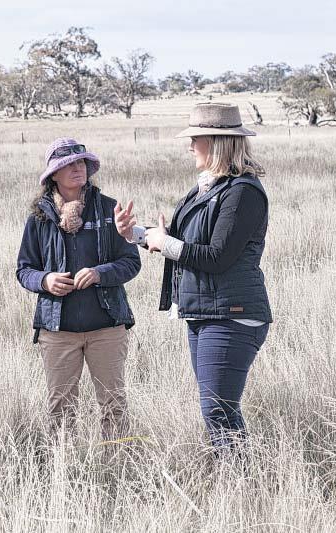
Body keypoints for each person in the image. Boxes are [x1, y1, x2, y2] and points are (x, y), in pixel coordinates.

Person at [114, 103, 271, 449]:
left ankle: (239, 476)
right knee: (218, 410)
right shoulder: (208, 187)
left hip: (232, 315)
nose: (189, 146)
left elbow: (217, 257)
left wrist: (165, 243)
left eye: (195, 139)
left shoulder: (242, 192)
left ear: (215, 142)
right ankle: (234, 475)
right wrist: (135, 234)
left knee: (218, 410)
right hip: (206, 312)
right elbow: (182, 241)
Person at [16, 138, 141, 440]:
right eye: (68, 165)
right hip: (58, 330)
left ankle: (116, 462)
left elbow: (131, 262)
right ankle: (65, 465)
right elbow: (24, 270)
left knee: (114, 405)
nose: (78, 169)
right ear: (53, 175)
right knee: (61, 409)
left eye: (81, 162)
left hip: (107, 326)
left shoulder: (109, 209)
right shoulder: (39, 218)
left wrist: (100, 273)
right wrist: (45, 280)